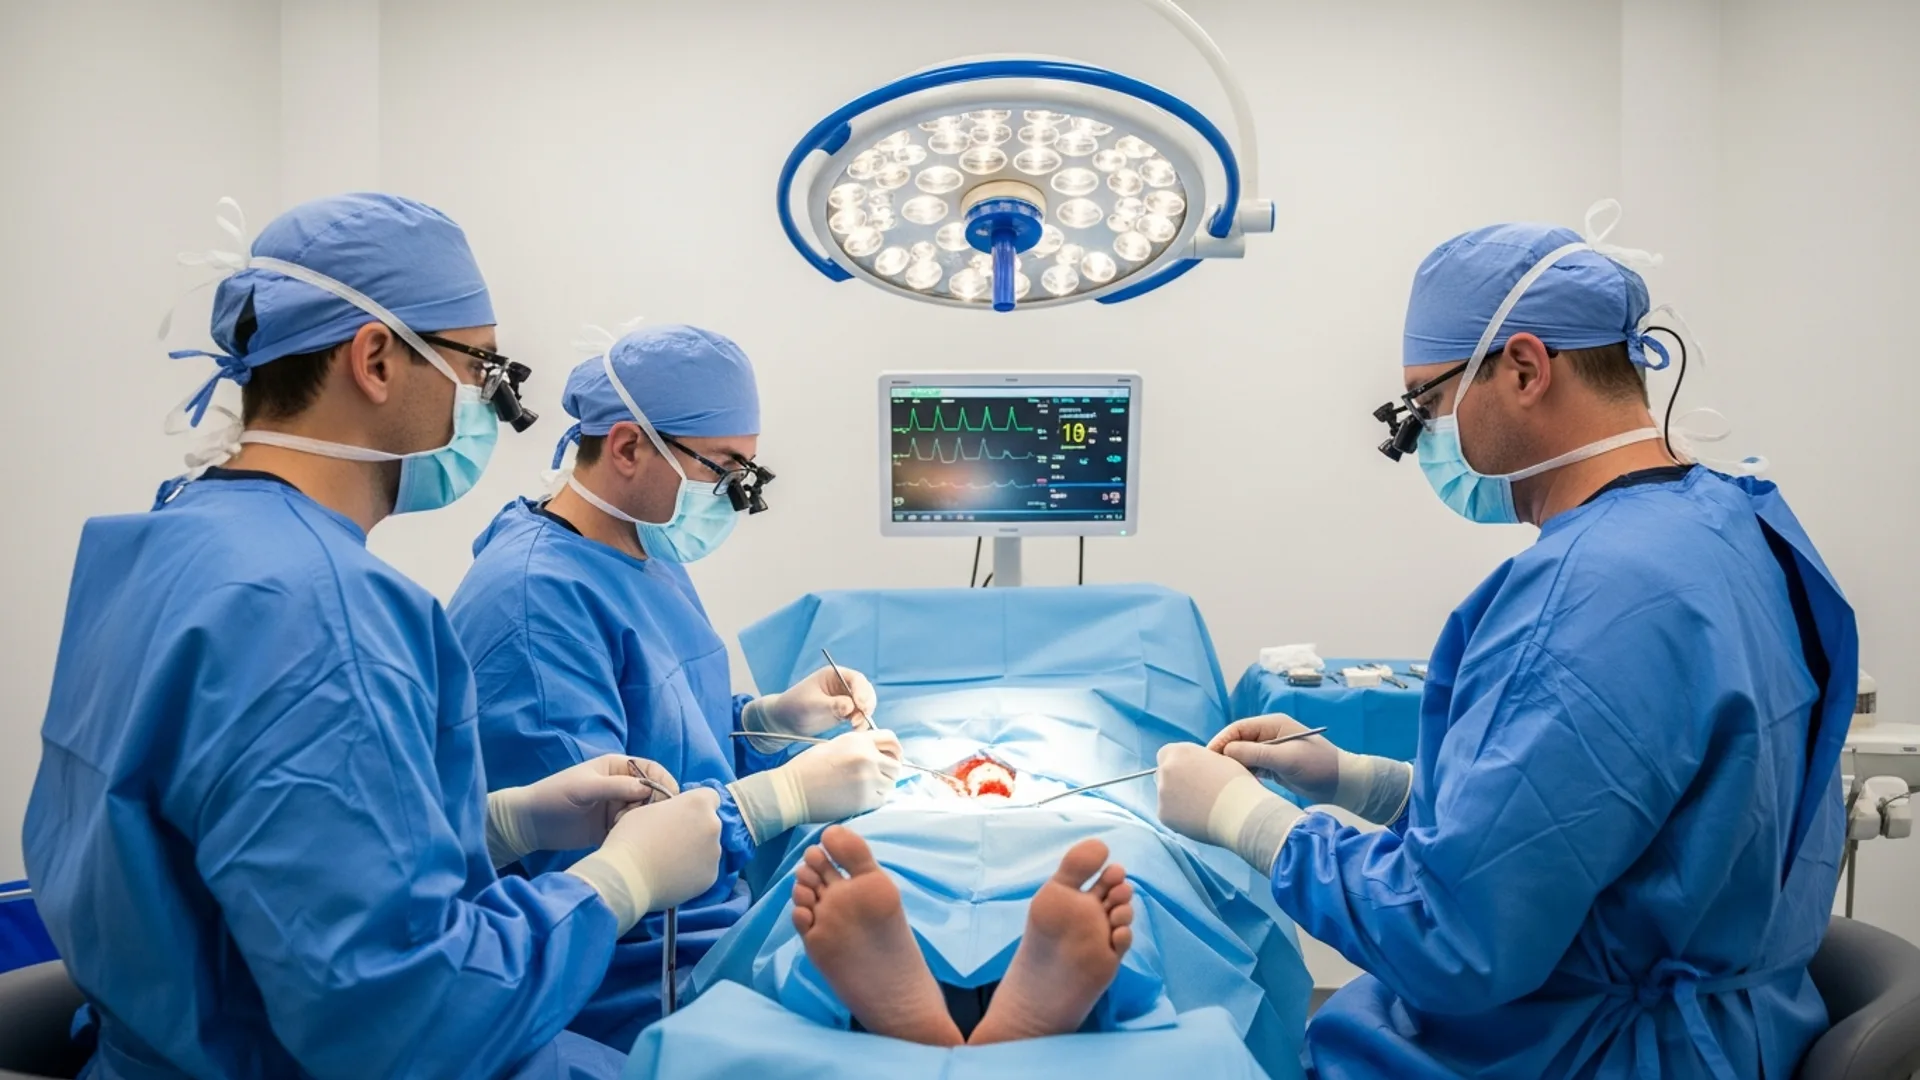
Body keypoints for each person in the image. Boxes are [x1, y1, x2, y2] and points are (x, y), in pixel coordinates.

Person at [23, 194, 728, 1080]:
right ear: (377, 360)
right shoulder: (322, 606)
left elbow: (236, 846)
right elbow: (411, 1025)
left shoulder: (163, 543)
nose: (490, 403)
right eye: (481, 368)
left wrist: (498, 823)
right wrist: (616, 884)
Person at [1155, 207, 1857, 1079]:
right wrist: (1359, 782)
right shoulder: (1730, 522)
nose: (1422, 439)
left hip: (1589, 1053)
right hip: (1734, 1023)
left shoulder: (1594, 590)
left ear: (1524, 367)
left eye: (1429, 403)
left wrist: (1246, 820)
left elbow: (1453, 937)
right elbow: (1613, 827)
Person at [448, 323, 903, 1048]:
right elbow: (598, 847)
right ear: (629, 446)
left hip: (709, 923)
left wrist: (768, 719)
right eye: (722, 467)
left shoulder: (640, 548)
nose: (736, 495)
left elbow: (668, 726)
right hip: (630, 987)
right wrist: (777, 798)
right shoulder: (534, 602)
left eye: (747, 471)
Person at [787, 826, 1134, 1048]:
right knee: (1136, 883)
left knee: (798, 927)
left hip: (891, 829)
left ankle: (906, 1041)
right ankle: (1021, 1050)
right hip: (1093, 819)